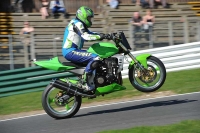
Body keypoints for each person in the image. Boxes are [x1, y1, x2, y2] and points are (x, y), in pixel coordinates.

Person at [62, 6, 106, 91]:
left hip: (74, 50)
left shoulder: (80, 24)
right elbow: (86, 36)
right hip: (70, 51)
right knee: (96, 57)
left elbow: (91, 33)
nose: (90, 20)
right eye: (89, 18)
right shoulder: (77, 24)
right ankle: (86, 82)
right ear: (83, 16)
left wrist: (105, 35)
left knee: (96, 57)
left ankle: (93, 80)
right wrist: (100, 36)